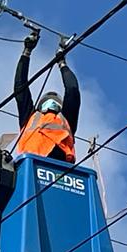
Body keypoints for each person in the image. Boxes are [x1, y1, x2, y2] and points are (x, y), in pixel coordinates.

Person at [13, 28, 80, 162]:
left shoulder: (66, 119)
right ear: (40, 105)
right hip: (32, 163)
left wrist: (62, 64)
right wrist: (26, 53)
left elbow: (72, 90)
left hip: (60, 166)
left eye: (56, 101)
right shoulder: (30, 117)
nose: (52, 102)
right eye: (48, 100)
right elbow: (20, 88)